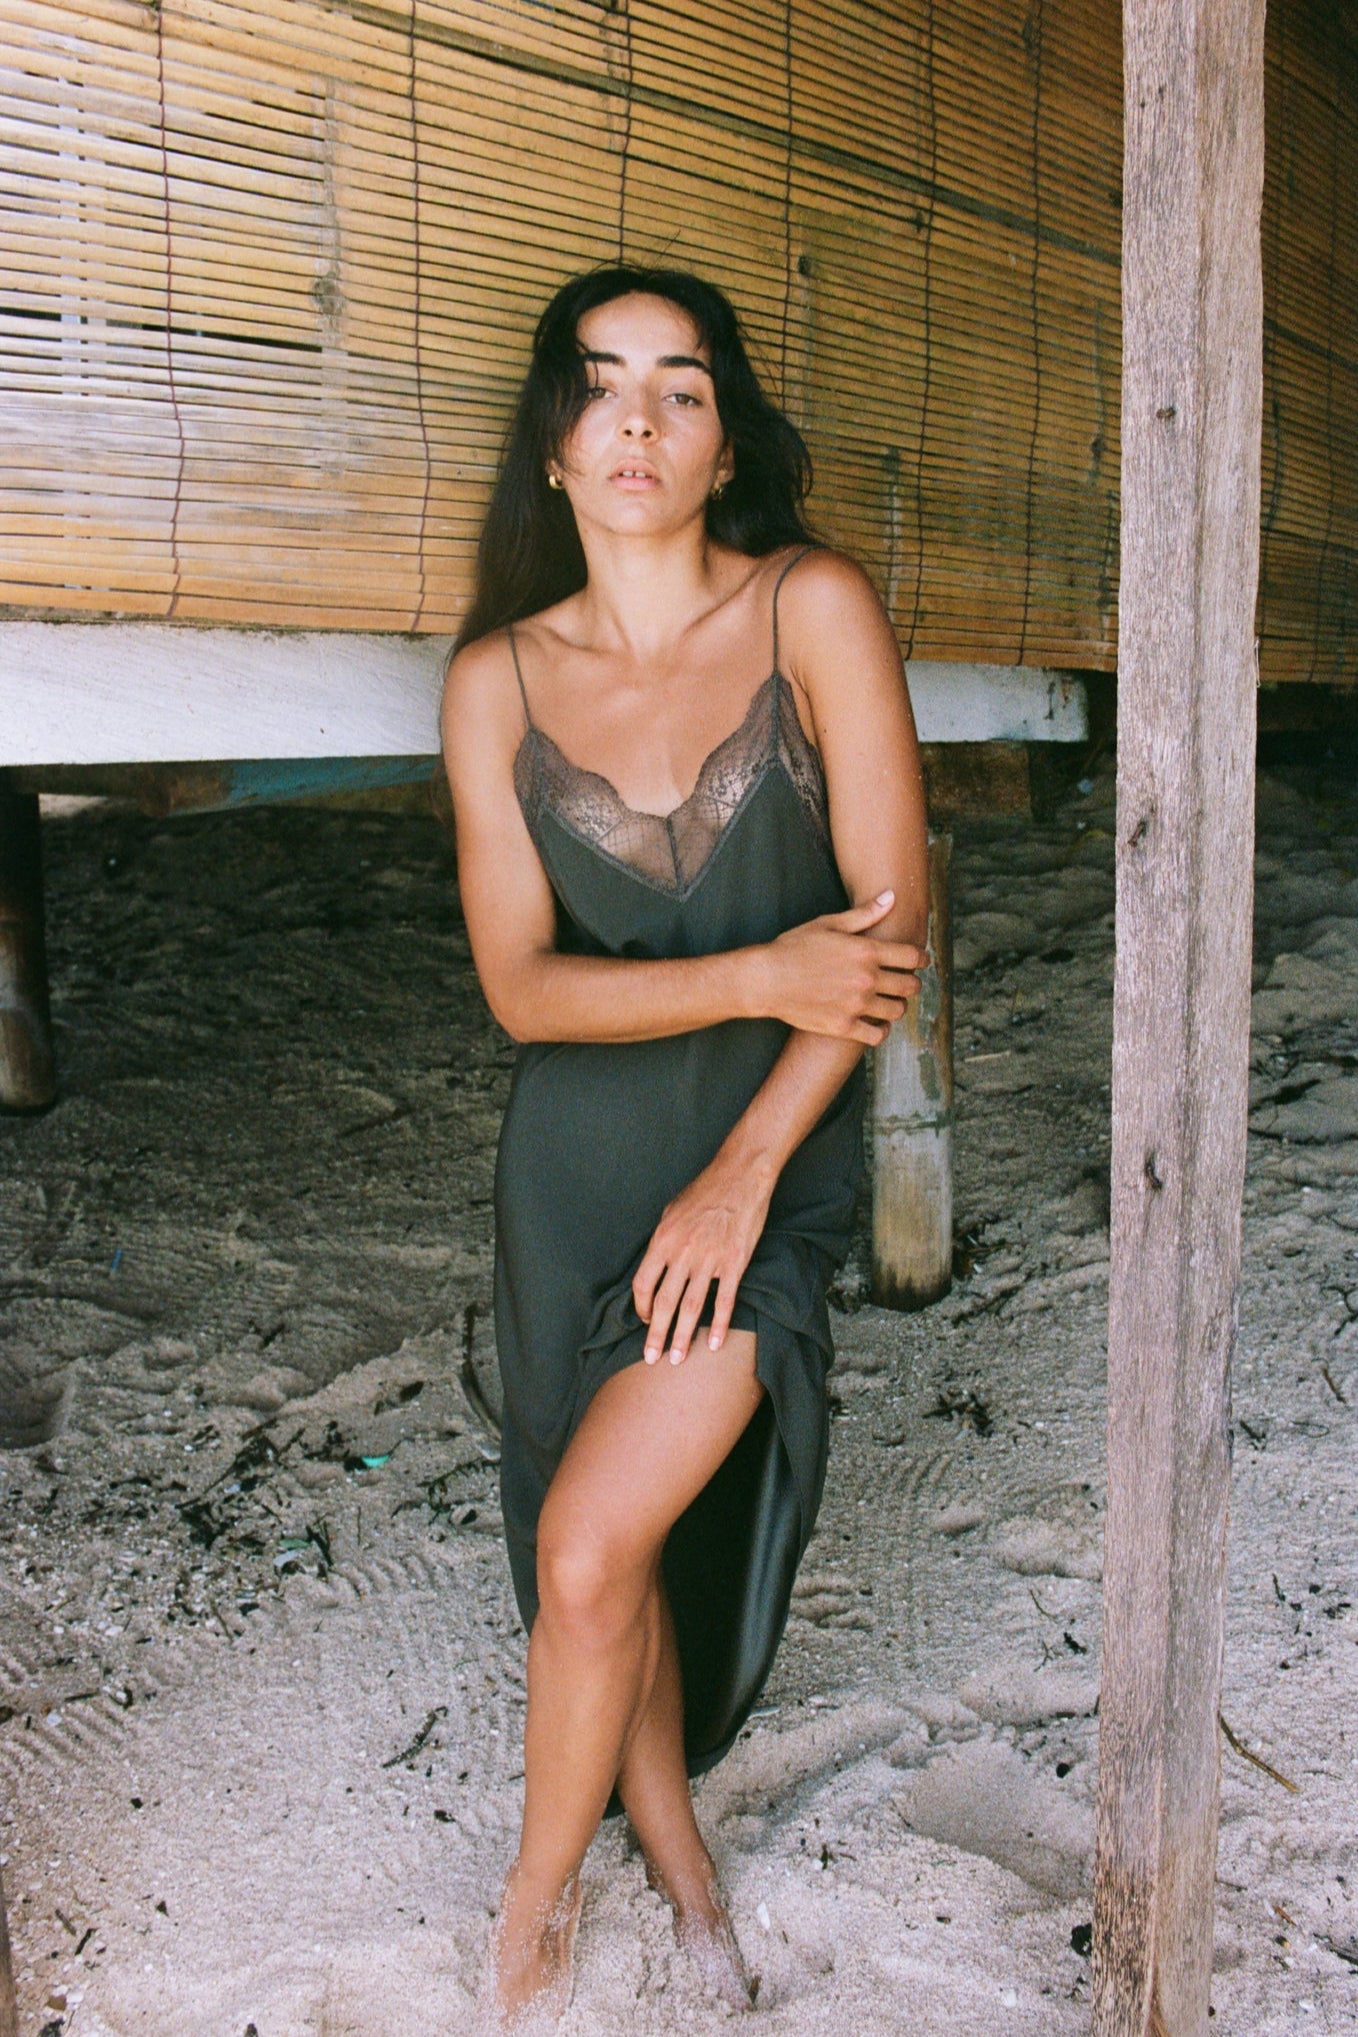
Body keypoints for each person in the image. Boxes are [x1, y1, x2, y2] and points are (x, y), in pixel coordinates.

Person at [440, 264, 929, 2025]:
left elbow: (887, 933)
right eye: (598, 384)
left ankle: (528, 1908)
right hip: (569, 1173)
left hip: (765, 1160)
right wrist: (748, 965)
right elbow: (520, 988)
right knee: (600, 1545)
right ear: (555, 446)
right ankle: (675, 1840)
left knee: (587, 1551)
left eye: (681, 388)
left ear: (724, 443)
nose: (636, 419)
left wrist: (742, 1172)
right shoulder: (495, 680)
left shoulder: (812, 607)